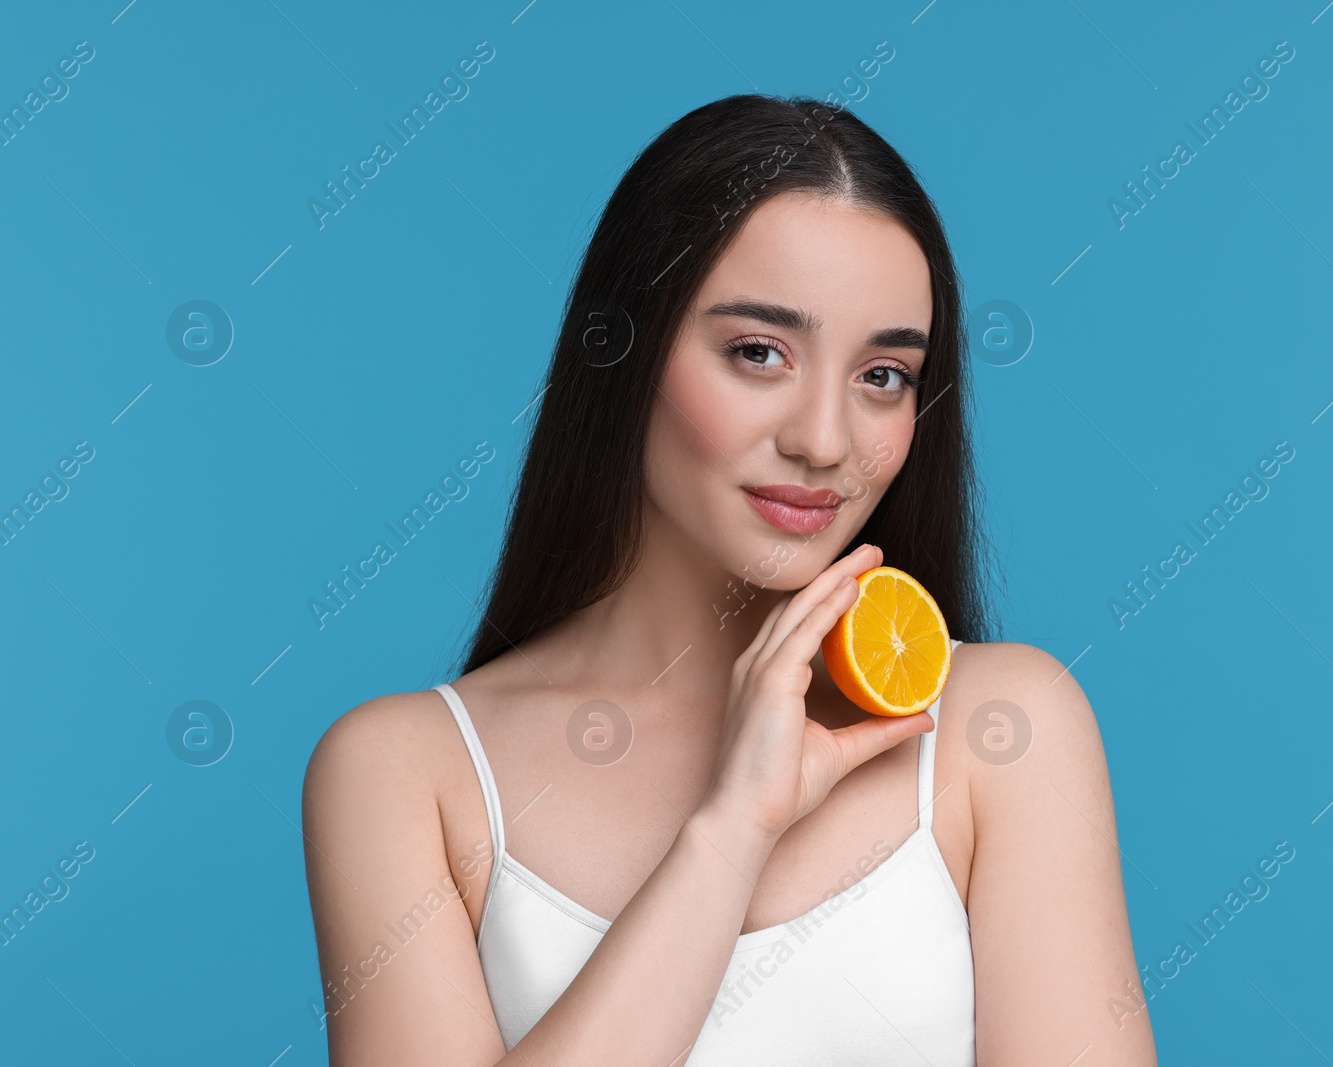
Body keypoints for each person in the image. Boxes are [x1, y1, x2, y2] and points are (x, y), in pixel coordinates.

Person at [301, 93, 1157, 1066]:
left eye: (882, 375)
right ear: (623, 352)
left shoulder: (1002, 729)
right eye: (759, 352)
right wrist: (729, 831)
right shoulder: (403, 773)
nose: (824, 440)